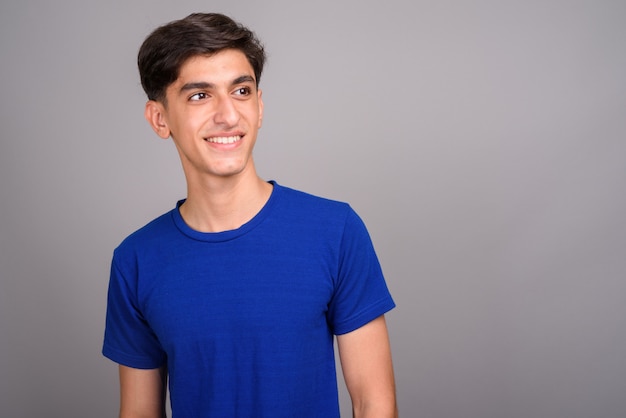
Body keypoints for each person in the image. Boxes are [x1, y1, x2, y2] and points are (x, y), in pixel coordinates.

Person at [102, 12, 397, 418]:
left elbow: (374, 404)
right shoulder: (135, 260)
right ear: (160, 118)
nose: (228, 115)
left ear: (259, 106)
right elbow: (138, 412)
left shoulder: (336, 231)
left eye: (241, 91)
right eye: (199, 95)